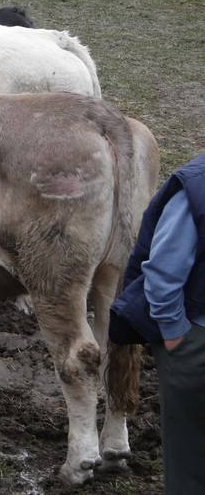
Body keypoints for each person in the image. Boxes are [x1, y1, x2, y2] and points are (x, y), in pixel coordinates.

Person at [111, 152, 205, 494]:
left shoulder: (197, 183)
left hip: (195, 345)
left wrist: (174, 333)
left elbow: (163, 273)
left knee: (190, 462)